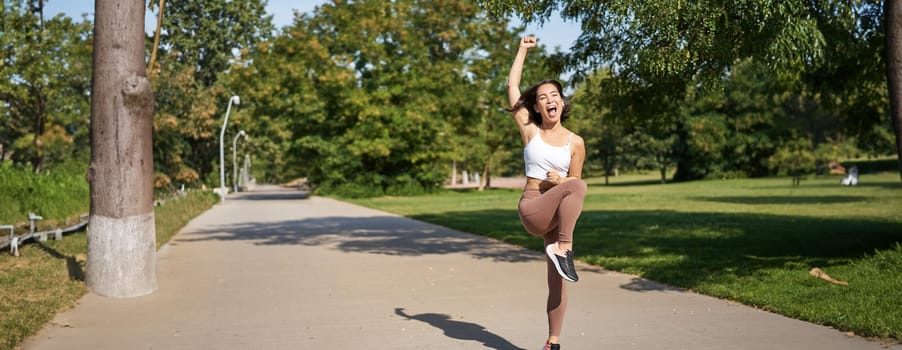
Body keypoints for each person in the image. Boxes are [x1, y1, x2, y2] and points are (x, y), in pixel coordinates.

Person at [506, 36, 588, 350]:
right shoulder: (531, 130)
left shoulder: (575, 142)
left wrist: (561, 182)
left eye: (555, 95)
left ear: (562, 103)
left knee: (557, 283)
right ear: (537, 107)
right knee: (577, 185)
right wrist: (523, 49)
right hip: (532, 207)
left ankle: (553, 343)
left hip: (557, 217)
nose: (550, 100)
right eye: (543, 97)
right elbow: (513, 87)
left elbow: (572, 188)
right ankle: (563, 248)